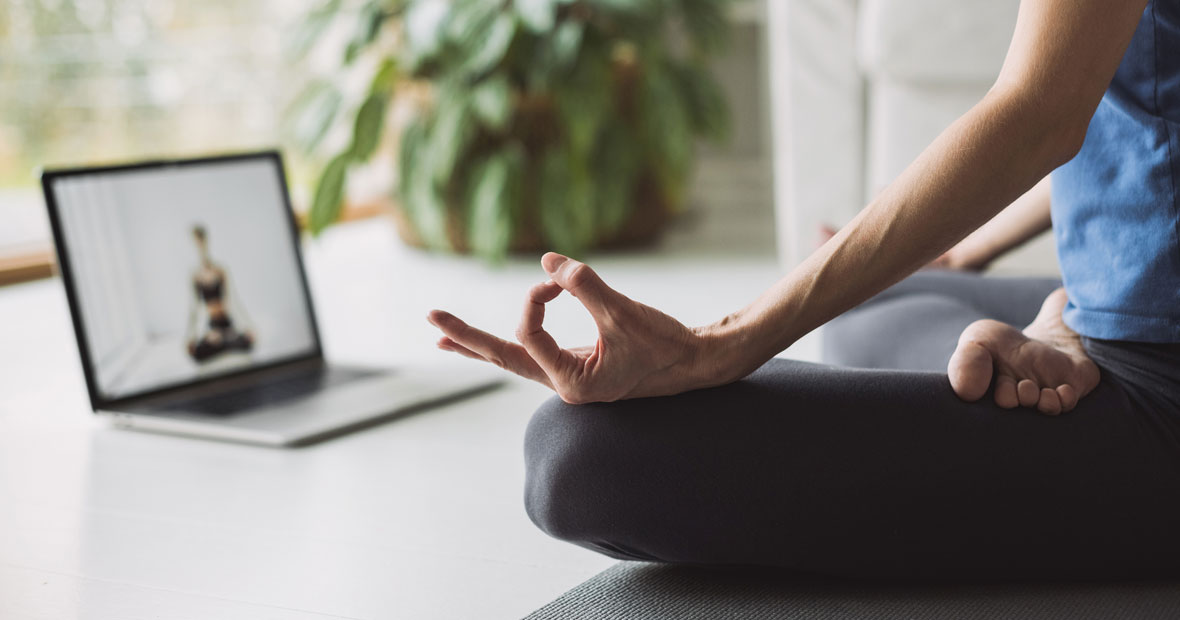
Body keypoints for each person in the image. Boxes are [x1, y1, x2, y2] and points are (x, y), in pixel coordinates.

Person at [428, 0, 1180, 580]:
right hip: (1121, 315)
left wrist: (723, 344)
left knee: (578, 456)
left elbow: (1042, 110)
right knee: (878, 301)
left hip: (1158, 390)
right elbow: (1097, 96)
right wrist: (975, 255)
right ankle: (1050, 340)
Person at [186, 225, 255, 362]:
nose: (200, 246)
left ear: (206, 241)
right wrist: (191, 336)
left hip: (226, 322)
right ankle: (222, 341)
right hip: (212, 325)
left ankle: (225, 340)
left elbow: (234, 300)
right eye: (197, 242)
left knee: (247, 343)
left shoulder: (220, 270)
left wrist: (248, 326)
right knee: (197, 352)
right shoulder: (195, 275)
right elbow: (194, 308)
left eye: (201, 241)